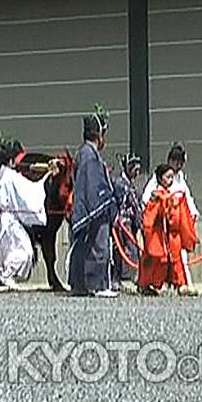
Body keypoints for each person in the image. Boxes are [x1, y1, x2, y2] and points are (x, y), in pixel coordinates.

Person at [68, 107, 118, 298]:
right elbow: (93, 186)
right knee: (98, 245)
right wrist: (105, 202)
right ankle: (96, 284)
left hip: (88, 208)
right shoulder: (89, 154)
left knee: (88, 246)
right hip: (94, 210)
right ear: (98, 134)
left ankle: (82, 284)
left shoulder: (85, 153)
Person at [0, 139, 48, 290]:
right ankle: (6, 275)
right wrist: (46, 177)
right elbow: (31, 191)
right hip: (9, 219)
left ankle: (0, 275)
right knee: (25, 250)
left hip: (2, 217)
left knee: (4, 249)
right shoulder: (11, 176)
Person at [138, 164, 198, 296]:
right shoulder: (156, 196)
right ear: (160, 179)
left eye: (172, 177)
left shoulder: (170, 195)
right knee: (156, 261)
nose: (171, 180)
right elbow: (150, 218)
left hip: (170, 234)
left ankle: (180, 283)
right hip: (158, 235)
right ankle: (147, 284)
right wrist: (148, 234)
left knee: (176, 259)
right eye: (168, 177)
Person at [111, 154, 142, 289]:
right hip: (122, 222)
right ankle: (116, 278)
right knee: (120, 250)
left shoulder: (131, 183)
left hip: (131, 221)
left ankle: (136, 277)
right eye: (133, 167)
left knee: (133, 249)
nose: (136, 171)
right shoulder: (120, 183)